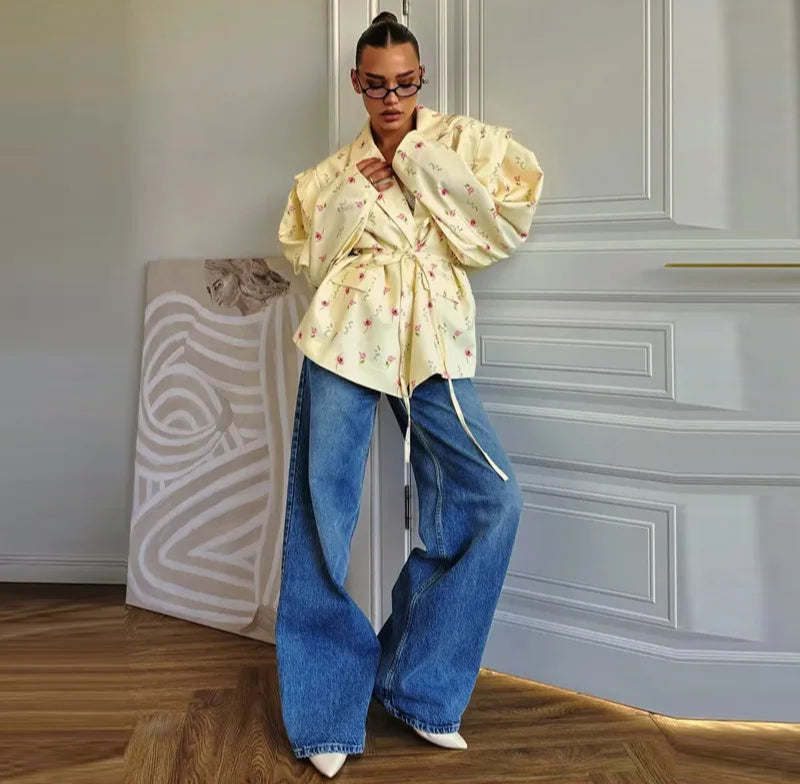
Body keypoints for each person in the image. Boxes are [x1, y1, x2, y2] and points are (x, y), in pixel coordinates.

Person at [274, 10, 544, 778]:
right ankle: (325, 711)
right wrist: (352, 198)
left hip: (432, 337)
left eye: (404, 84)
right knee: (322, 513)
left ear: (421, 79)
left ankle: (416, 686)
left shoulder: (466, 145)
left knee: (491, 498)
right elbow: (309, 260)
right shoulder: (329, 175)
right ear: (356, 84)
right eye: (376, 85)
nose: (391, 99)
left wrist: (418, 162)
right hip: (345, 334)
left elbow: (496, 234)